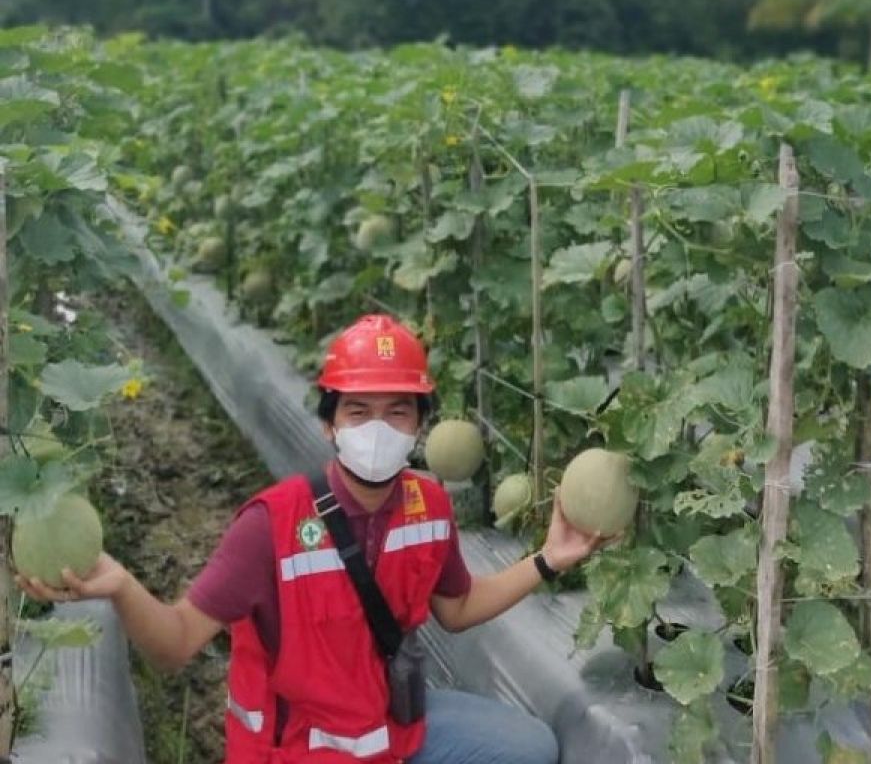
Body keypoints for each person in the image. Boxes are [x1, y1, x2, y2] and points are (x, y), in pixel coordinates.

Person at [19, 314, 608, 763]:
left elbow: (455, 609)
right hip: (293, 749)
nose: (377, 429)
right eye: (358, 412)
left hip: (387, 725)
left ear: (420, 425)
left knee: (526, 747)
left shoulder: (427, 505)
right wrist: (121, 587)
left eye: (397, 413)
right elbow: (174, 646)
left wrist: (549, 560)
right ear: (329, 424)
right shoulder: (269, 525)